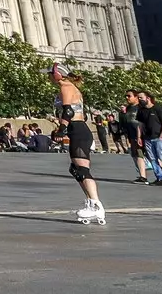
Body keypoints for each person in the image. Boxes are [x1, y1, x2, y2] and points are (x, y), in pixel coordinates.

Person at [51, 63, 105, 225]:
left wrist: (62, 129)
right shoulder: (70, 86)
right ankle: (91, 202)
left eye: (50, 74)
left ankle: (96, 205)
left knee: (82, 169)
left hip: (78, 130)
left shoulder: (66, 86)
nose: (48, 78)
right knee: (76, 169)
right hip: (77, 130)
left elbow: (69, 111)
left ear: (57, 75)